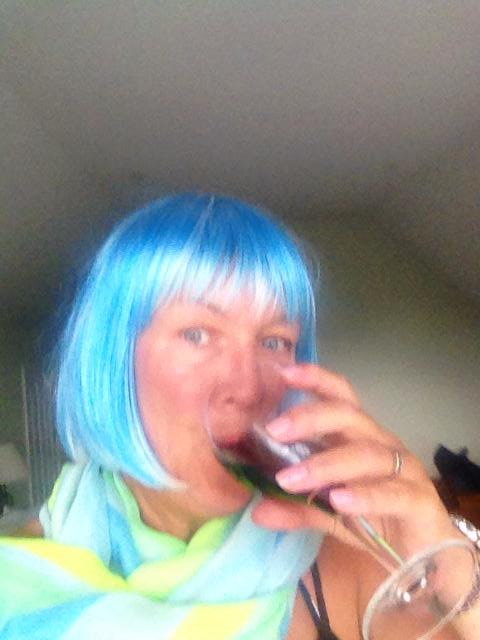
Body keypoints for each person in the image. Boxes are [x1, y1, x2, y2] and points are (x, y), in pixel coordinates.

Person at [0, 193, 478, 640]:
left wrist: (457, 573)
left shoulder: (340, 559)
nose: (249, 388)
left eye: (274, 342)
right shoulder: (17, 578)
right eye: (198, 335)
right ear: (112, 361)